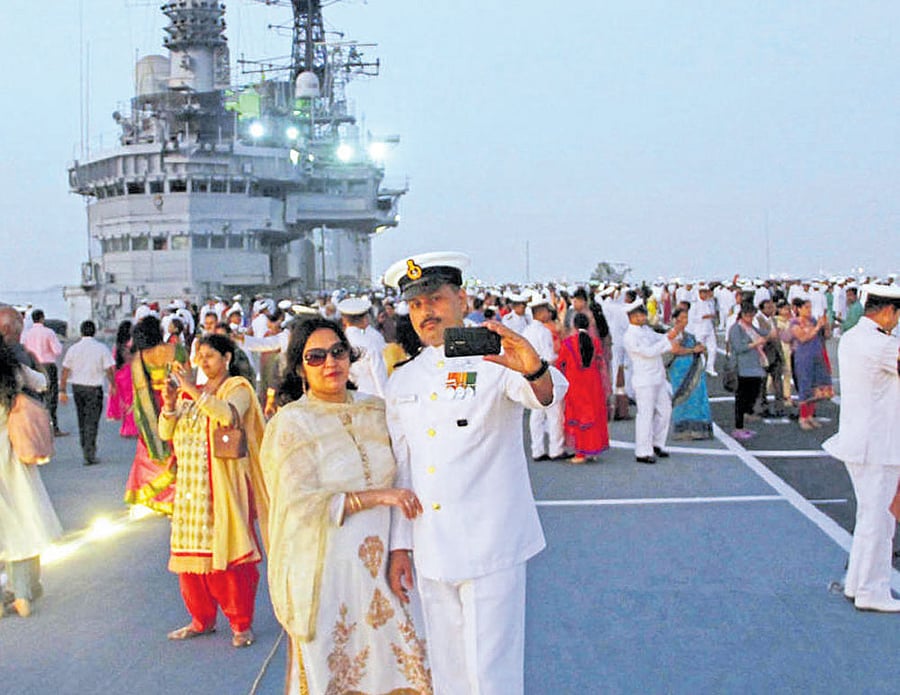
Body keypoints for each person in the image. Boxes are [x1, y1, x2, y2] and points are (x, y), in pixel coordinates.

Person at [382, 252, 567, 695]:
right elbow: (404, 468)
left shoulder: (493, 355)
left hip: (490, 545)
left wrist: (536, 369)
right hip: (431, 546)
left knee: (491, 676)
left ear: (460, 299)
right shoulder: (403, 380)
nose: (426, 312)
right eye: (416, 305)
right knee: (448, 673)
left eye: (435, 299)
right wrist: (400, 547)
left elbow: (546, 392)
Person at [260, 317, 431, 693]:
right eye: (316, 357)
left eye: (337, 352)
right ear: (300, 367)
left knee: (404, 666)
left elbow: (404, 469)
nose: (330, 363)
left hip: (384, 563)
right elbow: (297, 502)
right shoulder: (291, 424)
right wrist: (377, 497)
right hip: (329, 571)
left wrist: (401, 548)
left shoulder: (375, 409)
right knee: (341, 670)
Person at [160, 334, 269, 647]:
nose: (203, 361)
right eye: (200, 355)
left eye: (210, 355)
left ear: (227, 358)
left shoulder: (237, 389)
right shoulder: (187, 396)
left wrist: (192, 390)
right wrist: (169, 404)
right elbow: (165, 431)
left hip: (223, 485)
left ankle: (240, 624)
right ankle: (201, 619)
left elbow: (229, 416)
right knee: (190, 558)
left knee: (229, 556)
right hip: (189, 488)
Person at [823, 285, 900, 612]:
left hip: (861, 442)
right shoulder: (881, 344)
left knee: (869, 516)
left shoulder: (854, 337)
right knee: (879, 521)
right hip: (878, 445)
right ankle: (872, 590)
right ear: (887, 312)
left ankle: (857, 583)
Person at [0, 341, 62, 618]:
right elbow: (42, 382)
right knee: (21, 523)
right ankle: (23, 594)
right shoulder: (12, 369)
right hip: (12, 454)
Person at [124, 316, 187, 513]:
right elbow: (187, 377)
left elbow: (139, 389)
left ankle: (162, 497)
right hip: (176, 399)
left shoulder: (141, 357)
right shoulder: (176, 350)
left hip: (152, 406)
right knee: (179, 447)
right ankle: (179, 496)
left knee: (153, 448)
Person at [623, 299, 677, 463]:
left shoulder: (646, 330)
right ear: (631, 317)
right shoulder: (629, 336)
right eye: (638, 315)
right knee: (645, 416)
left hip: (658, 376)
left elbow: (659, 338)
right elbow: (647, 352)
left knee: (665, 410)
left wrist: (671, 335)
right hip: (644, 379)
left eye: (643, 314)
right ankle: (643, 451)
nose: (642, 318)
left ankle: (657, 443)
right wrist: (668, 344)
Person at [59, 320, 115, 466]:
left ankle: (85, 447)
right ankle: (89, 452)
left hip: (77, 388)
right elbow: (110, 369)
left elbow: (65, 370)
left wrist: (63, 390)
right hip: (94, 388)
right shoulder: (101, 348)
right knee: (92, 421)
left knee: (82, 419)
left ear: (81, 332)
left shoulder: (73, 348)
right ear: (94, 332)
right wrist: (113, 385)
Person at [556, 313, 609, 462]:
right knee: (593, 415)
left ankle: (580, 453)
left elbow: (560, 363)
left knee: (578, 417)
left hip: (575, 383)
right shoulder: (595, 342)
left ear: (574, 325)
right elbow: (600, 363)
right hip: (593, 383)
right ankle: (593, 450)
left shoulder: (568, 343)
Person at [523, 297, 567, 461]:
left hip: (531, 376)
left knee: (536, 414)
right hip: (546, 373)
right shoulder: (544, 332)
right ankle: (556, 449)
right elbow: (549, 356)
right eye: (546, 311)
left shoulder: (527, 331)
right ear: (540, 312)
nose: (549, 314)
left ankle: (537, 450)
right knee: (554, 414)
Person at [665, 307, 712, 440]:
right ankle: (685, 430)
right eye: (683, 317)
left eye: (686, 317)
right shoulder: (675, 333)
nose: (685, 320)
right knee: (684, 397)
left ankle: (697, 429)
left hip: (692, 367)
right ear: (676, 319)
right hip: (681, 369)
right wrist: (693, 350)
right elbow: (675, 350)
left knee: (696, 397)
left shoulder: (687, 334)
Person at [789, 297, 833, 430]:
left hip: (817, 355)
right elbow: (802, 338)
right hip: (803, 357)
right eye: (806, 308)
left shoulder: (813, 321)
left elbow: (825, 336)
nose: (809, 310)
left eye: (810, 307)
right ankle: (803, 417)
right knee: (805, 386)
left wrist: (825, 326)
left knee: (816, 386)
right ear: (799, 309)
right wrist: (818, 327)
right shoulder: (794, 323)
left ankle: (809, 416)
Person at [21, 309, 65, 436]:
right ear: (42, 318)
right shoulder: (48, 332)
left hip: (33, 365)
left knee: (35, 397)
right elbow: (57, 350)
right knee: (51, 397)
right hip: (47, 365)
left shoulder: (27, 334)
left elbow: (24, 349)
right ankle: (53, 427)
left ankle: (37, 427)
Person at [728, 302, 767, 441]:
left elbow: (765, 333)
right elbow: (739, 347)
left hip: (755, 367)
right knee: (741, 398)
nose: (750, 319)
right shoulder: (736, 329)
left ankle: (743, 423)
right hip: (742, 368)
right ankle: (738, 427)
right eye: (749, 316)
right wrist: (755, 343)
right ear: (742, 315)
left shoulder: (751, 328)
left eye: (752, 316)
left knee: (753, 394)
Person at [106, 320, 139, 438]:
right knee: (132, 403)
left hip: (120, 377)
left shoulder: (118, 347)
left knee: (124, 404)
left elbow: (113, 365)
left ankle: (125, 428)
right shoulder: (132, 344)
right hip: (131, 375)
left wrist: (113, 383)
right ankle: (131, 429)